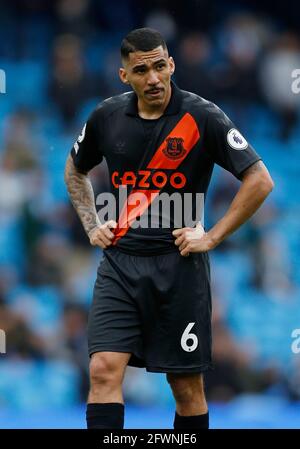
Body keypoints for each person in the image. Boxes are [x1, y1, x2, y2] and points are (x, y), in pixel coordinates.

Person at [64, 27, 274, 429]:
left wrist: (212, 235)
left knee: (185, 385)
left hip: (180, 269)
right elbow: (75, 170)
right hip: (120, 265)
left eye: (160, 66)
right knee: (103, 370)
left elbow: (260, 179)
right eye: (142, 70)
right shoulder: (106, 116)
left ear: (172, 64)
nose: (154, 78)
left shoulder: (202, 116)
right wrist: (92, 225)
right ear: (125, 76)